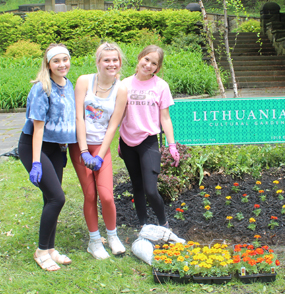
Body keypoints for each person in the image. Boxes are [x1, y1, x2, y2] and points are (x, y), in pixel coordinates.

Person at [18, 44, 76, 271]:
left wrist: (62, 149)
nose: (62, 64)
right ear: (48, 64)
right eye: (56, 61)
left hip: (54, 148)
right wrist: (35, 162)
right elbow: (38, 129)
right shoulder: (43, 88)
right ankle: (41, 251)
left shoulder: (69, 84)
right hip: (35, 146)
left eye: (65, 59)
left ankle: (51, 249)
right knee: (57, 198)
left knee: (50, 198)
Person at [69, 42, 127, 259]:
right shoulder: (84, 81)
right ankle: (94, 241)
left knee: (107, 196)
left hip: (101, 147)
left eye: (115, 60)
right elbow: (79, 117)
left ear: (119, 63)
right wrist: (84, 151)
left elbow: (113, 125)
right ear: (98, 62)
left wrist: (100, 156)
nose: (111, 64)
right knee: (90, 194)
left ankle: (112, 236)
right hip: (80, 146)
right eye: (107, 60)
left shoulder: (121, 89)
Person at [118, 45, 180, 228]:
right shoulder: (125, 84)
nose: (148, 65)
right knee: (136, 186)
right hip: (127, 142)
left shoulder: (161, 86)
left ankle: (164, 225)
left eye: (154, 63)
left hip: (148, 141)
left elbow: (165, 118)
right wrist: (119, 140)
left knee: (150, 190)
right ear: (139, 58)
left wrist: (172, 145)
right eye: (146, 59)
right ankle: (144, 226)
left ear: (157, 68)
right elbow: (119, 115)